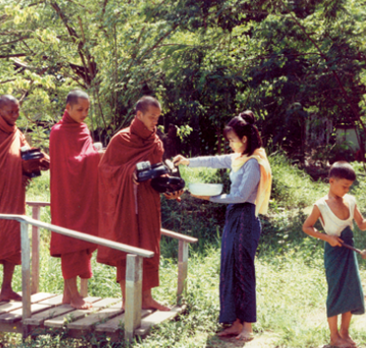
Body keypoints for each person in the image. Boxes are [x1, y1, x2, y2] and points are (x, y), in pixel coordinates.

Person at [174, 110, 272, 341]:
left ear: (244, 139)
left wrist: (210, 198)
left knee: (243, 271)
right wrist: (188, 161)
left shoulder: (254, 163)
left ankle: (247, 327)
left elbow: (239, 196)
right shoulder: (239, 157)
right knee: (230, 268)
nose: (229, 145)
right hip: (233, 217)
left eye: (231, 140)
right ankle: (235, 322)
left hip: (246, 218)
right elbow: (214, 160)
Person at [97, 96, 183, 312]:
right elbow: (105, 171)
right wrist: (130, 172)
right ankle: (128, 301)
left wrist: (169, 188)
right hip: (125, 204)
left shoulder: (156, 142)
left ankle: (146, 298)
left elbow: (156, 174)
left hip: (147, 204)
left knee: (149, 247)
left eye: (158, 117)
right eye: (152, 117)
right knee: (127, 249)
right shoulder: (121, 139)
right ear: (139, 115)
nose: (156, 121)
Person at [302, 161, 366, 348]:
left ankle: (344, 333)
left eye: (349, 187)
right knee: (336, 292)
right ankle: (334, 338)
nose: (347, 190)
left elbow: (362, 225)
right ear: (331, 181)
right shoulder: (321, 205)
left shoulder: (350, 201)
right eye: (344, 186)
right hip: (334, 253)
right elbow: (306, 227)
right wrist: (326, 237)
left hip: (350, 251)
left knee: (350, 291)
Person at [0, 94, 49, 302]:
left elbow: (24, 153)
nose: (16, 115)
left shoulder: (16, 133)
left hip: (13, 193)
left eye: (18, 111)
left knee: (12, 236)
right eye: (11, 112)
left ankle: (6, 288)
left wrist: (38, 159)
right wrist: (14, 165)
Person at [49, 89, 102, 310]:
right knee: (69, 241)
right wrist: (98, 155)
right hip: (66, 195)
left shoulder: (84, 129)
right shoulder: (58, 132)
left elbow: (85, 155)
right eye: (80, 109)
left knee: (81, 240)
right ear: (67, 108)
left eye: (87, 109)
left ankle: (68, 295)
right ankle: (75, 296)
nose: (84, 114)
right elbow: (71, 162)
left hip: (83, 194)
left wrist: (95, 155)